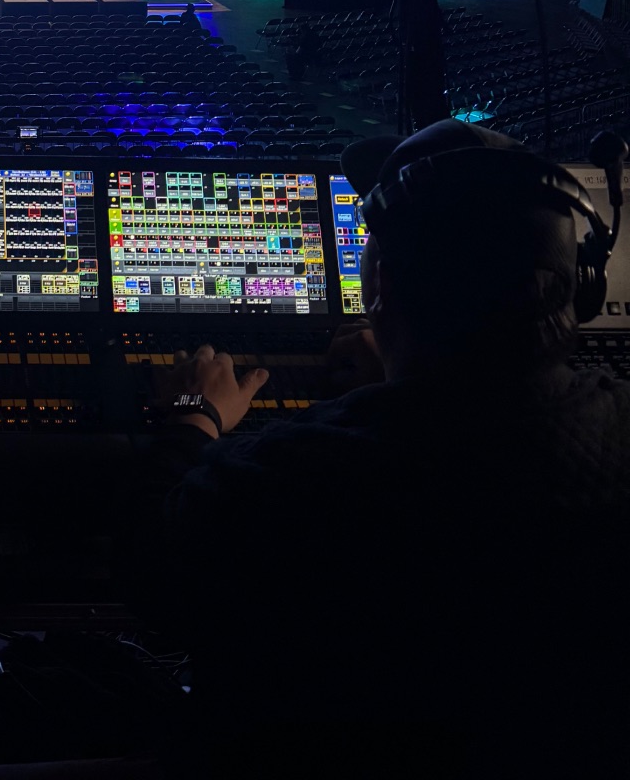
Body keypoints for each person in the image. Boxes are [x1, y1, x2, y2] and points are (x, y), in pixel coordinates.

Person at [139, 119, 630, 766]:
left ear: (380, 287)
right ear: (582, 287)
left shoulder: (292, 474)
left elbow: (155, 588)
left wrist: (191, 415)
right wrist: (400, 385)